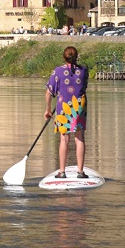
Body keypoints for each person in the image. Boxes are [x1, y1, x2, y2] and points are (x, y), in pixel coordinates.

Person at [45, 46, 88, 179]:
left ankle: (62, 172)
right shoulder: (84, 70)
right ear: (76, 57)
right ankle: (80, 172)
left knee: (64, 138)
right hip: (79, 106)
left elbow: (48, 93)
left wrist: (48, 110)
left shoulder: (57, 71)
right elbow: (83, 87)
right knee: (79, 137)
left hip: (64, 106)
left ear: (64, 57)